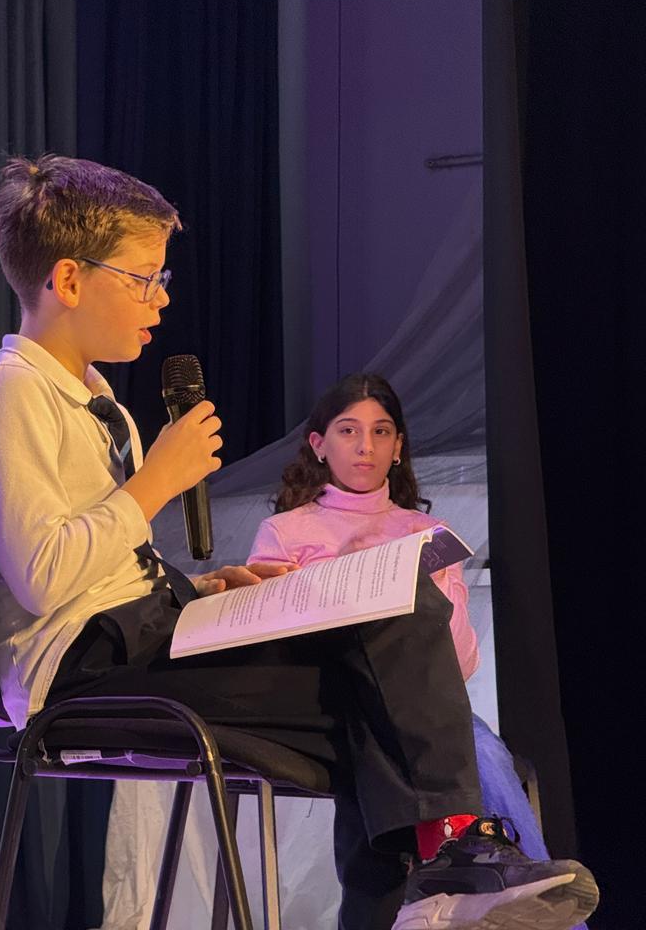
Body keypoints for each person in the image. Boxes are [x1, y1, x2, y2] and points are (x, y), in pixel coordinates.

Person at [0, 153, 598, 930]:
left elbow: (103, 564)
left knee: (394, 617)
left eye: (160, 278)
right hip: (87, 673)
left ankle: (440, 877)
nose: (160, 298)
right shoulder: (7, 400)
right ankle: (441, 874)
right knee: (373, 691)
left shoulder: (93, 401)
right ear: (69, 280)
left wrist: (200, 589)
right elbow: (45, 577)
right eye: (143, 278)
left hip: (143, 636)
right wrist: (155, 481)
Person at [246, 371, 587, 929]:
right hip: (330, 708)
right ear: (319, 444)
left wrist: (433, 591)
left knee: (477, 748)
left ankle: (498, 888)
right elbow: (271, 648)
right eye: (349, 430)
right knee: (413, 747)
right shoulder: (284, 532)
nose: (366, 446)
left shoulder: (428, 532)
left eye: (381, 432)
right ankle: (473, 876)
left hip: (420, 711)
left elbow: (460, 666)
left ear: (398, 446)